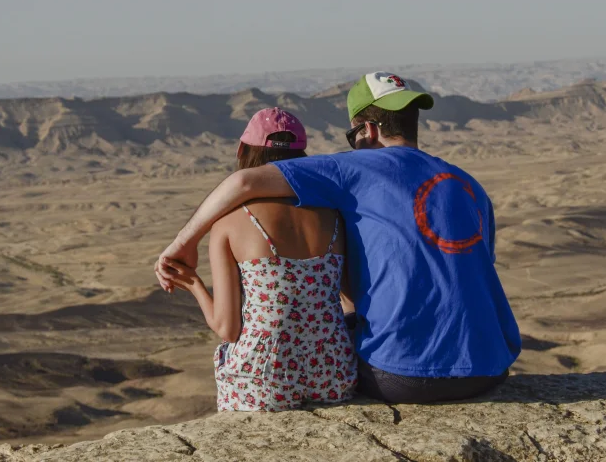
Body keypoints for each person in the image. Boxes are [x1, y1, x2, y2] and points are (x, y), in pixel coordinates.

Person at [157, 72, 521, 403]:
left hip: (404, 377)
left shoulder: (355, 167)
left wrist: (182, 245)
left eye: (353, 136)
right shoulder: (470, 185)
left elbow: (243, 183)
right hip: (490, 369)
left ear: (368, 131)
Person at [157, 107, 357, 411]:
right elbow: (348, 300)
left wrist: (195, 285)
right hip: (334, 372)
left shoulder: (229, 223)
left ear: (243, 152)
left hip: (263, 380)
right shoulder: (335, 217)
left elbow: (228, 328)